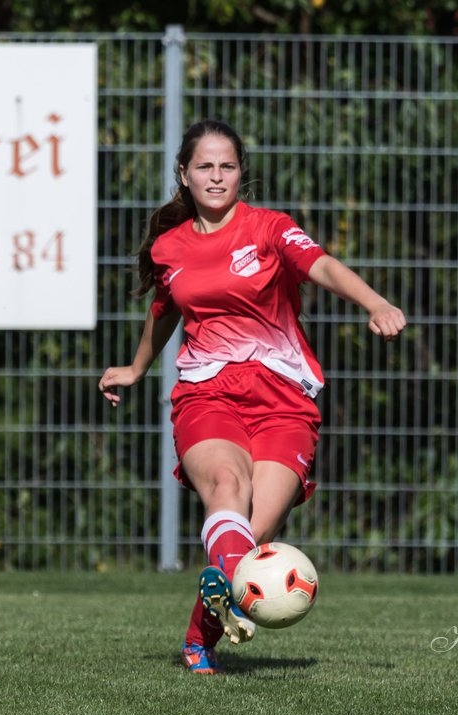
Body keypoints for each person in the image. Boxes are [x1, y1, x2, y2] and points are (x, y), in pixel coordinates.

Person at [98, 119, 405, 674]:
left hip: (284, 397)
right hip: (207, 392)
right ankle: (211, 635)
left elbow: (322, 265)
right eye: (205, 167)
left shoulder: (270, 228)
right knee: (226, 488)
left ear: (242, 173)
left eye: (228, 166)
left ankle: (200, 637)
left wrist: (374, 303)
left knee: (252, 535)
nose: (216, 177)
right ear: (184, 175)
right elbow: (164, 310)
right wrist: (136, 368)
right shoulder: (170, 247)